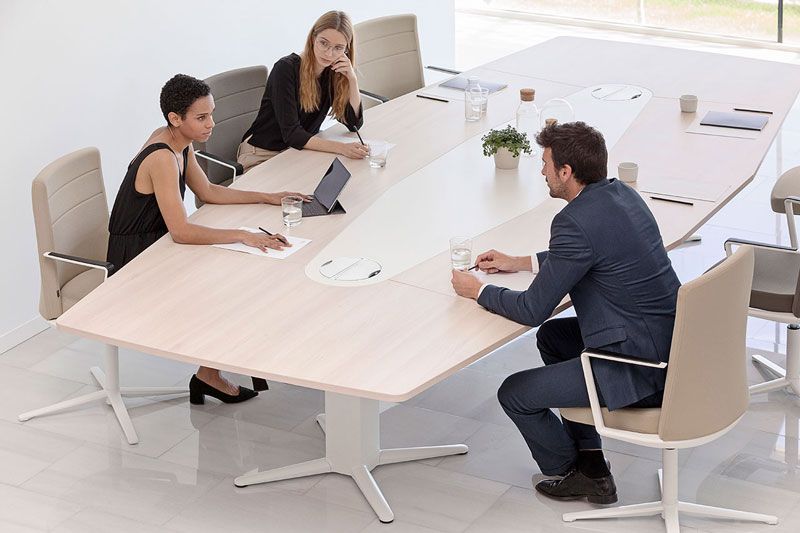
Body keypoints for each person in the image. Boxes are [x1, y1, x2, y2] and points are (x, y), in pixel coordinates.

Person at [451, 122, 680, 504]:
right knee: (555, 338)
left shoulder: (572, 221)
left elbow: (532, 308)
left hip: (640, 367)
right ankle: (591, 462)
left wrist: (480, 291)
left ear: (566, 172)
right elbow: (592, 251)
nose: (541, 171)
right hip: (668, 341)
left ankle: (570, 471)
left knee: (515, 393)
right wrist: (520, 261)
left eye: (545, 164)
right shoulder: (623, 194)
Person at [107, 73, 310, 404]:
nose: (211, 124)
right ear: (175, 119)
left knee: (239, 272)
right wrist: (243, 235)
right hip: (137, 258)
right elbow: (182, 231)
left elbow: (208, 191)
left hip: (159, 245)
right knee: (227, 285)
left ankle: (216, 370)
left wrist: (268, 196)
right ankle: (209, 375)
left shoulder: (180, 144)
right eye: (201, 117)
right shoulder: (161, 156)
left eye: (211, 114)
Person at [237, 10, 368, 172]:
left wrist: (352, 79)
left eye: (338, 48)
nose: (329, 53)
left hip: (298, 152)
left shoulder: (333, 72)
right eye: (323, 43)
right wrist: (342, 148)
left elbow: (353, 124)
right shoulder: (286, 69)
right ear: (313, 39)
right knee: (295, 196)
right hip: (263, 154)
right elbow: (292, 134)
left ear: (347, 50)